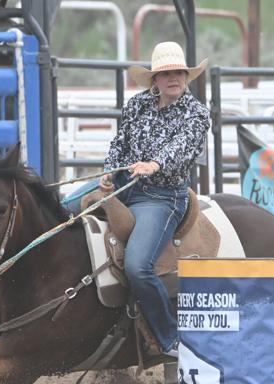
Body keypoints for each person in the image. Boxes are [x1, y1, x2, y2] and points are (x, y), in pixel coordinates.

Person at [99, 41, 210, 355]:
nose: (174, 78)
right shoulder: (136, 105)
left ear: (186, 76)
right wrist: (108, 171)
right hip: (124, 185)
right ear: (155, 80)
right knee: (65, 210)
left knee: (137, 266)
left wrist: (155, 164)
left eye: (179, 72)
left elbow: (183, 147)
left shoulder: (196, 113)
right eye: (166, 73)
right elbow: (119, 143)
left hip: (162, 196)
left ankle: (169, 337)